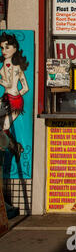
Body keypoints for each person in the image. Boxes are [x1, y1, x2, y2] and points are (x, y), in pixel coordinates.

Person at [0, 32, 30, 161]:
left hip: (11, 100)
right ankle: (15, 147)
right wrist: (16, 95)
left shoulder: (12, 66)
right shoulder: (12, 64)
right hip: (11, 99)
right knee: (4, 126)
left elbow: (9, 84)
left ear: (15, 48)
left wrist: (14, 96)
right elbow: (26, 88)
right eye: (2, 48)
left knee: (5, 126)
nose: (4, 50)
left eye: (7, 47)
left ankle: (11, 147)